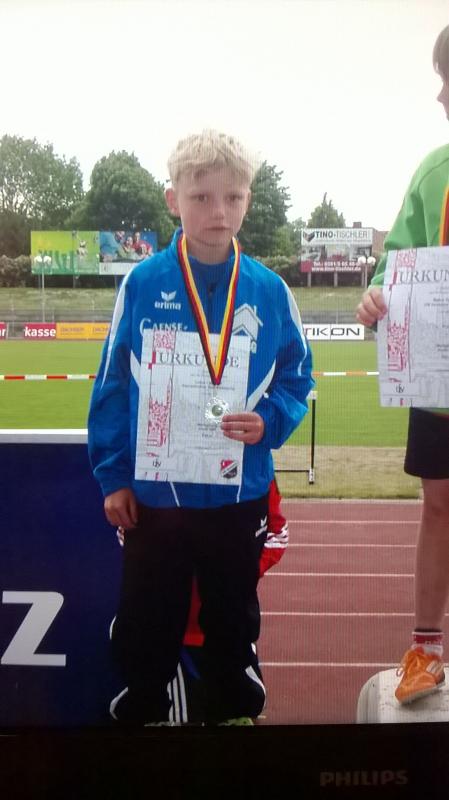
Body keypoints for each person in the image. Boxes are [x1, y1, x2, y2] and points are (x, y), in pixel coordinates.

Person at [88, 129, 313, 725]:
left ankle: (233, 704)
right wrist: (114, 477)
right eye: (202, 197)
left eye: (233, 197)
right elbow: (111, 385)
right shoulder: (142, 284)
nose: (219, 212)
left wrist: (269, 420)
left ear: (248, 200)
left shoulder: (269, 290)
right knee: (147, 610)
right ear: (173, 200)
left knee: (232, 611)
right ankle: (144, 701)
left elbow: (299, 376)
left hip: (238, 492)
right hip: (157, 494)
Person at [356, 25, 449, 705]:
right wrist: (376, 297)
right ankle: (426, 650)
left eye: (448, 80)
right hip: (437, 380)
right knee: (438, 507)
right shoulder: (433, 170)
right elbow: (398, 263)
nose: (441, 95)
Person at [114, 477, 289, 723]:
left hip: (227, 623)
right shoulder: (153, 473)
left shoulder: (252, 474)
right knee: (168, 709)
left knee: (243, 703)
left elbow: (276, 532)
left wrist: (237, 571)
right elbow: (129, 536)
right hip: (170, 629)